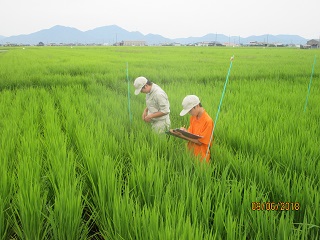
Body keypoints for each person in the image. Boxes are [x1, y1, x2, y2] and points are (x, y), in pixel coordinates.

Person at [177, 95, 214, 162]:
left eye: (190, 111)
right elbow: (191, 133)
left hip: (201, 157)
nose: (189, 113)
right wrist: (184, 131)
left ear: (197, 106)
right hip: (190, 152)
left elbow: (200, 142)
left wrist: (183, 136)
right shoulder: (193, 117)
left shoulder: (208, 121)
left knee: (200, 172)